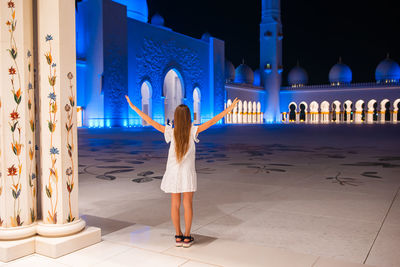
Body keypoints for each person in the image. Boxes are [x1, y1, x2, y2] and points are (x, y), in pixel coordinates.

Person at [125, 95, 240, 248]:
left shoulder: (170, 132)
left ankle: (178, 236)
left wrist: (133, 107)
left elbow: (150, 121)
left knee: (174, 205)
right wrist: (229, 109)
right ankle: (187, 237)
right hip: (187, 174)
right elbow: (212, 121)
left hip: (173, 173)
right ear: (188, 118)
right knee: (188, 204)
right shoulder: (193, 131)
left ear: (176, 118)